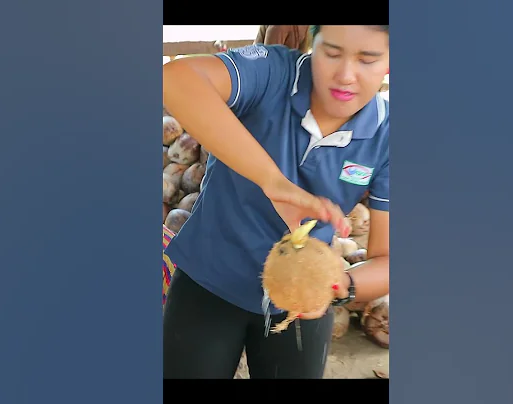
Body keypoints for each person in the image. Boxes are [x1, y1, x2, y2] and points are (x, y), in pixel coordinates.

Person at [162, 25, 390, 379]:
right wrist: (274, 182)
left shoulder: (390, 138)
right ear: (312, 43)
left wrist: (337, 286)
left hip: (300, 302)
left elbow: (388, 258)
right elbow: (173, 80)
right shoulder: (272, 73)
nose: (345, 75)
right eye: (331, 53)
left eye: (368, 59)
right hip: (209, 279)